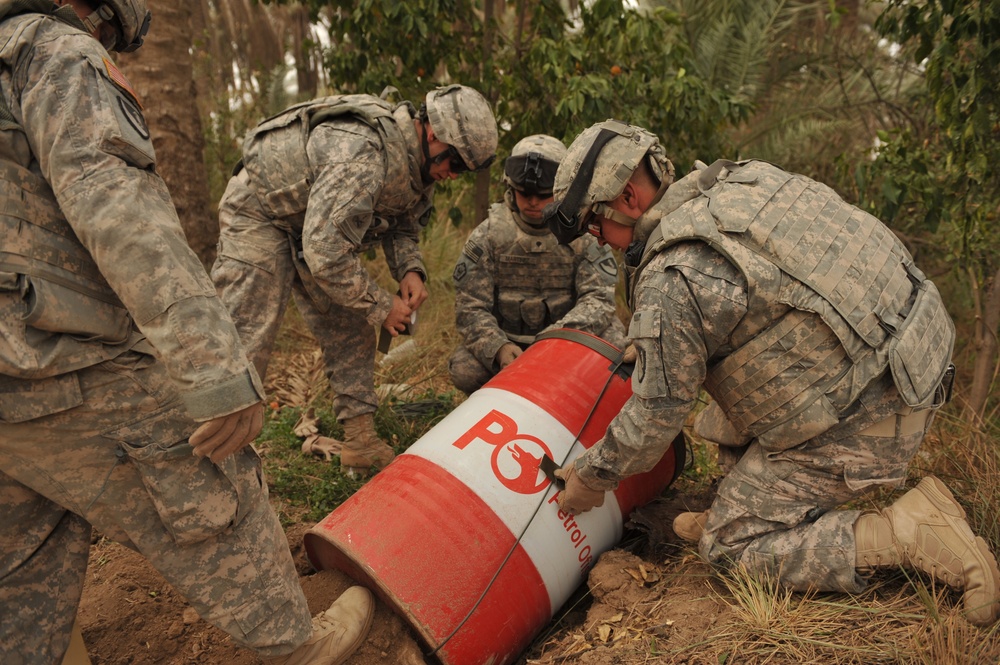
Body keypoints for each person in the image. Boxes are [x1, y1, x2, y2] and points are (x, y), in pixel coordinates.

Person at [0, 1, 375, 663]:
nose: (108, 43)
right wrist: (212, 367)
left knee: (25, 541)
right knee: (207, 468)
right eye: (111, 34)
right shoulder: (56, 53)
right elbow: (119, 209)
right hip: (52, 361)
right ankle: (296, 645)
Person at [543, 119, 1000, 626]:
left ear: (628, 196)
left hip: (875, 410)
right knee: (721, 407)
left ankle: (910, 531)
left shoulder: (675, 273)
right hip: (913, 360)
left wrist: (594, 474)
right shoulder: (744, 181)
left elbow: (656, 415)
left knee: (729, 550)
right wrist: (661, 344)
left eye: (593, 223)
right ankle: (747, 500)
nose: (598, 240)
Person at [211, 83, 498, 474]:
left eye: (464, 169)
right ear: (432, 133)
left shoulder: (419, 165)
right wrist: (383, 305)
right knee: (246, 336)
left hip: (314, 227)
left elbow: (401, 223)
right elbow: (325, 252)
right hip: (262, 213)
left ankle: (360, 440)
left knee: (351, 320)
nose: (454, 175)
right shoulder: (362, 153)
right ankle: (212, 454)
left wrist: (410, 270)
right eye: (456, 163)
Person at [449, 134, 627, 394]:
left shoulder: (584, 235)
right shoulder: (489, 235)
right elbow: (470, 307)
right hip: (510, 348)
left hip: (567, 343)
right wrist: (498, 348)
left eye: (542, 195)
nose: (532, 202)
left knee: (616, 348)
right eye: (525, 193)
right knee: (465, 369)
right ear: (511, 186)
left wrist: (553, 342)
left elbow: (599, 301)